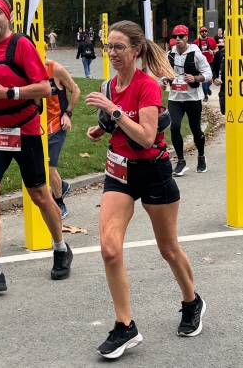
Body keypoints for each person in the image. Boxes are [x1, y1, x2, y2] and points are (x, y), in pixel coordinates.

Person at [86, 20, 205, 359]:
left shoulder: (147, 86)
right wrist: (101, 128)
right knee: (110, 249)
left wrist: (113, 112)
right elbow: (119, 125)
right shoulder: (109, 86)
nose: (112, 53)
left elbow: (147, 136)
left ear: (136, 50)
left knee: (168, 248)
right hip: (119, 173)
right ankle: (125, 326)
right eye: (108, 47)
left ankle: (191, 301)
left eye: (119, 47)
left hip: (153, 172)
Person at [0, 0, 72, 293]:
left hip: (25, 131)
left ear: (7, 15)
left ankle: (61, 248)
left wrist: (8, 94)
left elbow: (45, 88)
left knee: (40, 195)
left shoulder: (21, 45)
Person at [164, 24, 212, 176]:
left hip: (193, 97)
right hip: (175, 97)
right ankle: (181, 161)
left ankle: (201, 157)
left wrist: (195, 78)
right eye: (175, 37)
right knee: (174, 127)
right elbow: (165, 72)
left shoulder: (196, 54)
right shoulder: (169, 55)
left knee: (195, 129)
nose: (177, 39)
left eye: (180, 37)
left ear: (186, 38)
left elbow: (208, 74)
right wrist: (164, 80)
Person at [46, 58, 80, 218]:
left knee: (49, 167)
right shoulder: (26, 68)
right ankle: (62, 185)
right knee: (40, 166)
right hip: (37, 126)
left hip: (56, 125)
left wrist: (67, 114)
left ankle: (59, 202)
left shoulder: (55, 69)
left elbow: (75, 90)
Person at [195, 27, 217, 101]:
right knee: (204, 79)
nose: (204, 32)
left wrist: (213, 52)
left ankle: (207, 88)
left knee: (210, 80)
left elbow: (216, 48)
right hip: (201, 63)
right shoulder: (196, 42)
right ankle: (205, 95)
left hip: (210, 62)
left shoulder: (211, 40)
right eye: (202, 31)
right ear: (200, 33)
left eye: (205, 31)